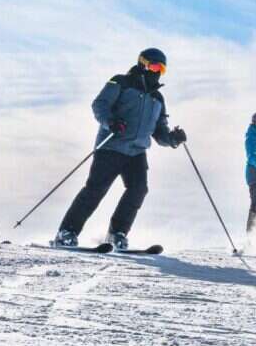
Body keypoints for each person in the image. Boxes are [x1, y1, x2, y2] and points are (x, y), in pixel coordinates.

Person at [54, 48, 187, 250]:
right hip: (111, 146)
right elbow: (100, 104)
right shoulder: (121, 82)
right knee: (95, 190)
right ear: (142, 64)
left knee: (138, 190)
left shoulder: (158, 99)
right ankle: (67, 232)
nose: (157, 71)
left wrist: (173, 139)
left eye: (162, 68)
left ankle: (117, 233)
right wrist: (111, 121)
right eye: (153, 65)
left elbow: (160, 133)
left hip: (136, 152)